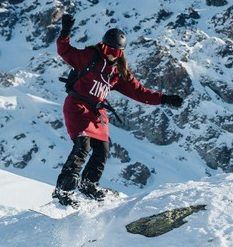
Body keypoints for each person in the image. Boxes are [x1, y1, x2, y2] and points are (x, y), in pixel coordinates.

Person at [52, 13, 184, 206]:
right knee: (82, 147)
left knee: (102, 150)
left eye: (117, 51)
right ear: (102, 46)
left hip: (96, 113)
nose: (112, 54)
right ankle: (63, 189)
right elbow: (64, 50)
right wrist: (65, 31)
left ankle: (89, 184)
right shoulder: (89, 57)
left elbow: (139, 92)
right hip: (77, 107)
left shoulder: (118, 72)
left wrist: (165, 98)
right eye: (108, 49)